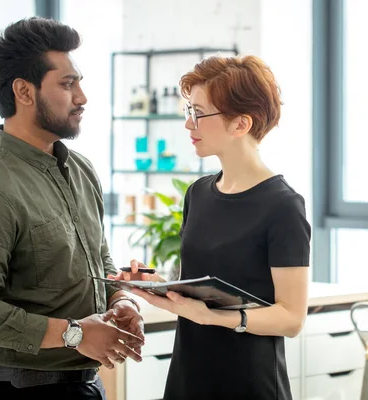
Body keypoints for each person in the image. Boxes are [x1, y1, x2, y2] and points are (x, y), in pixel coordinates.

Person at [0, 17, 144, 400]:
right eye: (68, 84)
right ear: (24, 91)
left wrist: (121, 300)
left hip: (86, 386)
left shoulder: (81, 169)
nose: (82, 97)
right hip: (19, 391)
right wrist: (75, 333)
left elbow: (99, 258)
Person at [112, 55, 311, 400]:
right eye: (189, 111)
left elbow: (291, 318)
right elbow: (198, 291)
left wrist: (211, 318)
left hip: (249, 384)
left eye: (199, 113)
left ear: (241, 124)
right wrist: (156, 286)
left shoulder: (283, 206)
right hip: (188, 378)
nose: (189, 125)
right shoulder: (198, 194)